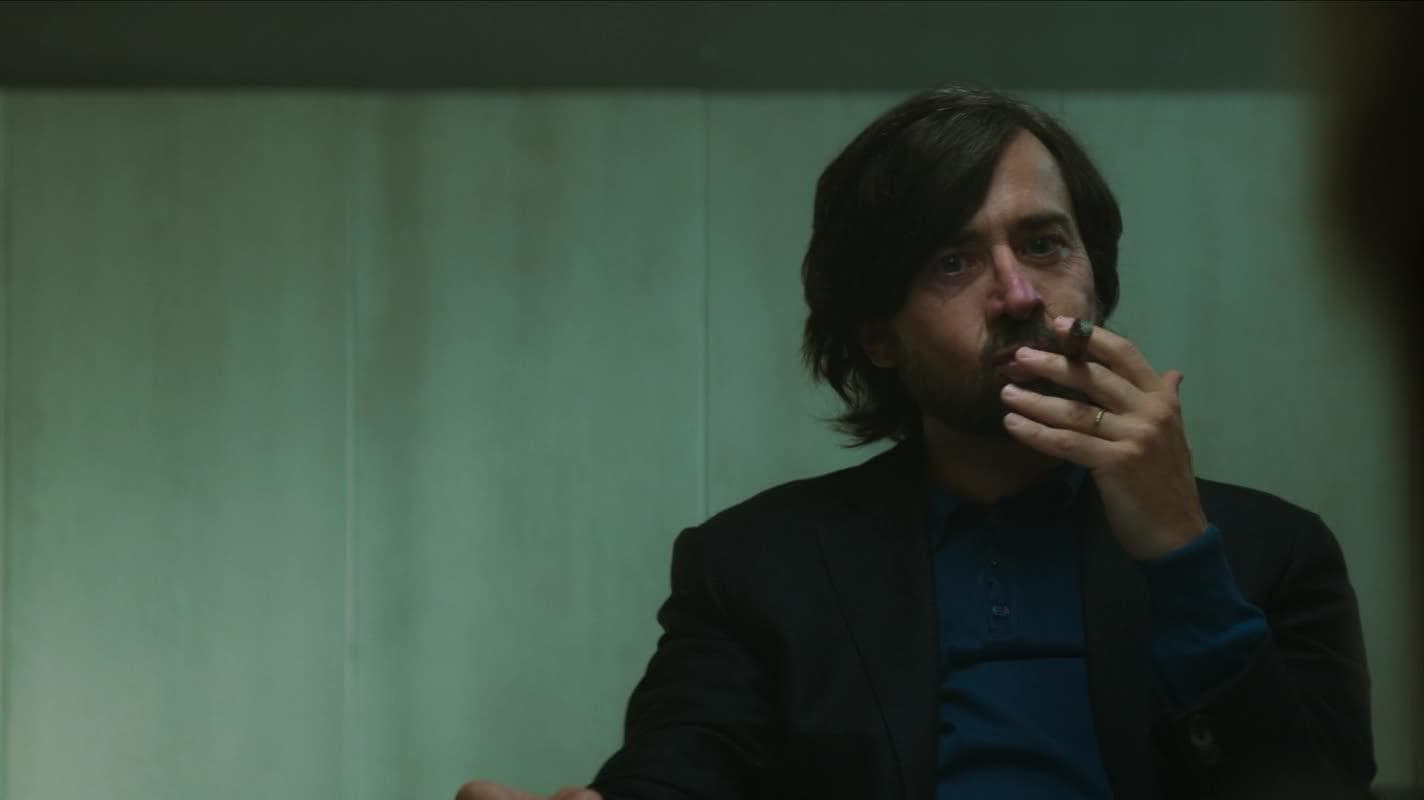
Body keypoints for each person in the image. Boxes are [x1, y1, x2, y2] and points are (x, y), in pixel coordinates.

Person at [458, 87, 1375, 800]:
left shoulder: (1274, 553)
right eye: (953, 261)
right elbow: (683, 769)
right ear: (878, 336)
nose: (1018, 293)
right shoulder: (755, 567)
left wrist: (1182, 556)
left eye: (1044, 243)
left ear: (1095, 276)